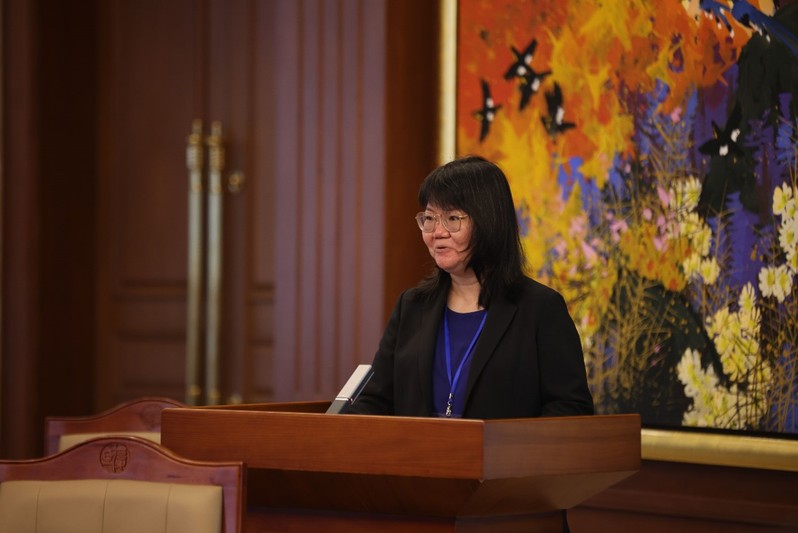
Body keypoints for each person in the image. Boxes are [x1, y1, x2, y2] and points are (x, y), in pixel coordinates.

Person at [346, 155, 593, 419]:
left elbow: (570, 409)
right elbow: (376, 399)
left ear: (489, 222)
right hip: (418, 448)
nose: (437, 232)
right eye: (429, 218)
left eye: (452, 218)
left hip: (501, 448)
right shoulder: (412, 306)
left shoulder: (540, 309)